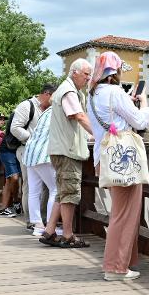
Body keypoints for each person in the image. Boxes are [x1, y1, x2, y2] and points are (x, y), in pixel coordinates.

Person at [88, 51, 149, 281]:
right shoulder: (116, 92)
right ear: (115, 72)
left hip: (103, 157)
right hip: (123, 159)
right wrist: (143, 103)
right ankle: (115, 268)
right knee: (124, 214)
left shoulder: (92, 94)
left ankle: (125, 261)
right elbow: (140, 121)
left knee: (121, 211)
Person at [39, 58, 94, 248]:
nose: (88, 78)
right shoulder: (69, 91)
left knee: (62, 192)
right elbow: (78, 116)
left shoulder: (65, 89)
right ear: (75, 72)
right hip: (67, 150)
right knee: (70, 193)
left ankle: (50, 230)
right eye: (86, 74)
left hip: (60, 149)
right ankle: (68, 235)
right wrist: (100, 134)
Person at [8, 84, 55, 222]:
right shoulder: (27, 106)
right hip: (26, 149)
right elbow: (15, 128)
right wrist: (33, 138)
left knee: (46, 187)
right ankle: (31, 220)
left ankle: (44, 219)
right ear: (47, 94)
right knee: (31, 186)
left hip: (44, 152)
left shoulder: (49, 109)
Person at [23, 107, 57, 236]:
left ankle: (37, 225)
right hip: (43, 153)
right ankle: (50, 225)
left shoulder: (46, 111)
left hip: (30, 153)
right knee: (55, 189)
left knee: (34, 191)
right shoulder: (59, 110)